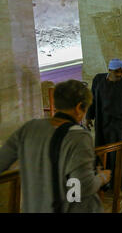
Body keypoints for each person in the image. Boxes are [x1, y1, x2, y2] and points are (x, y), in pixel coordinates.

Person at [0, 80, 111, 213]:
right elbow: (81, 187)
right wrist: (102, 178)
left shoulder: (29, 128)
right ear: (78, 107)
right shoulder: (78, 137)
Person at [86, 59, 122, 192]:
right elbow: (92, 99)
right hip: (101, 123)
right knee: (101, 153)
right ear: (109, 70)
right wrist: (89, 117)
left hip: (118, 126)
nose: (119, 74)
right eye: (117, 71)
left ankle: (119, 184)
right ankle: (103, 182)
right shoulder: (98, 80)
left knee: (117, 155)